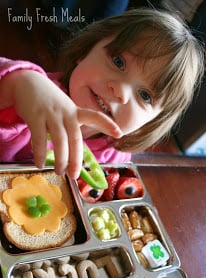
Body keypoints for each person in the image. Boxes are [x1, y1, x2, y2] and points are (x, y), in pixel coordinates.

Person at [0, 8, 204, 179]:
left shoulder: (114, 157)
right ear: (86, 51)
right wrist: (22, 83)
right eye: (118, 62)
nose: (121, 91)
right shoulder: (35, 95)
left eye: (145, 96)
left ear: (153, 121)